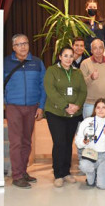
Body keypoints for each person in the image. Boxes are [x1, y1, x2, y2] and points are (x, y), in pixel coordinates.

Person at [4, 34, 46, 189]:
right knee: (16, 142)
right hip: (14, 107)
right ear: (13, 47)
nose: (23, 47)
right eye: (19, 44)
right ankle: (17, 176)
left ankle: (23, 171)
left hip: (32, 107)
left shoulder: (37, 63)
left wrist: (41, 106)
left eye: (25, 43)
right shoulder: (5, 63)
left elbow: (43, 86)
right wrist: (5, 103)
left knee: (27, 142)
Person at [43, 46, 87, 187]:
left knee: (68, 143)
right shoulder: (52, 71)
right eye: (65, 56)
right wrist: (66, 106)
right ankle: (58, 174)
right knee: (59, 142)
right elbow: (51, 90)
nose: (68, 59)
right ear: (60, 57)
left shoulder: (77, 72)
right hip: (55, 112)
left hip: (73, 114)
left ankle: (66, 172)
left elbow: (83, 91)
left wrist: (77, 106)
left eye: (71, 56)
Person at [75, 99, 105, 189]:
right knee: (85, 166)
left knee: (103, 186)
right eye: (98, 107)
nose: (100, 110)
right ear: (94, 109)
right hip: (90, 154)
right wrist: (83, 141)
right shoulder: (86, 122)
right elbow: (77, 142)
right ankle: (91, 175)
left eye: (103, 107)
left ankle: (102, 172)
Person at [80, 39, 105, 119]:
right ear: (91, 50)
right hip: (91, 104)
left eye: (100, 47)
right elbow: (81, 84)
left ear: (104, 49)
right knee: (91, 130)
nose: (98, 50)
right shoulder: (85, 63)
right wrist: (91, 77)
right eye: (95, 48)